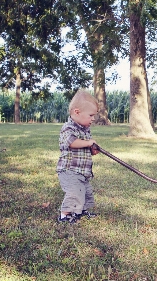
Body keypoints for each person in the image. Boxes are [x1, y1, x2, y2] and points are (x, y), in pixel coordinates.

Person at [56, 90, 100, 224]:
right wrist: (88, 143)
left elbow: (84, 147)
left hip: (82, 171)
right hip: (70, 170)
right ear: (77, 112)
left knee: (85, 192)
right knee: (75, 193)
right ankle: (65, 215)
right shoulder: (68, 128)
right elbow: (72, 142)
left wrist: (91, 149)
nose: (93, 118)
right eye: (91, 115)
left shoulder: (85, 130)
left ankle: (80, 211)